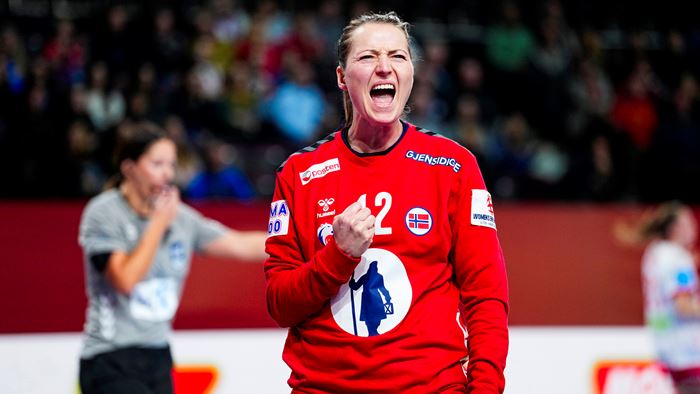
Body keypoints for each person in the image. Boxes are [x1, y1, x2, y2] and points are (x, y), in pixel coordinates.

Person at [264, 11, 509, 393]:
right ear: (342, 78)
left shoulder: (454, 166)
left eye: (398, 56)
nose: (384, 67)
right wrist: (338, 255)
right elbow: (280, 304)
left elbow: (487, 296)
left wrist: (487, 388)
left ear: (411, 73)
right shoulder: (299, 173)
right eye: (367, 57)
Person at [77, 123, 268, 394]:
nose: (167, 174)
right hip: (110, 358)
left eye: (171, 165)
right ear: (129, 168)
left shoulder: (182, 219)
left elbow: (238, 244)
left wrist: (306, 241)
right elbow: (125, 279)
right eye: (157, 164)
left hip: (158, 356)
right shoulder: (104, 213)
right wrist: (157, 224)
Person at [638, 202, 700, 393]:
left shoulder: (654, 252)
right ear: (675, 228)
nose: (694, 228)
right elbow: (683, 305)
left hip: (664, 341)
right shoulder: (679, 259)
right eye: (688, 223)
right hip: (687, 348)